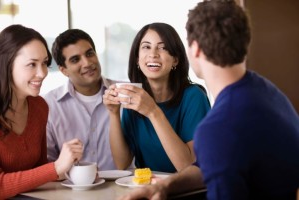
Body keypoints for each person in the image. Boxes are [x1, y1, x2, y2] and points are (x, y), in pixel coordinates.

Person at [119, 1, 299, 200]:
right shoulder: (267, 92)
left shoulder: (218, 128)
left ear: (195, 49)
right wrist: (166, 186)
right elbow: (208, 166)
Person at [103, 22, 210, 173]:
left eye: (163, 47)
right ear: (137, 59)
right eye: (146, 47)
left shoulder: (194, 97)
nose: (153, 54)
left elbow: (188, 167)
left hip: (186, 189)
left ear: (175, 60)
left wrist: (153, 111)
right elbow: (122, 163)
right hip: (148, 188)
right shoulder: (134, 97)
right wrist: (113, 113)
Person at [0, 24, 83, 199]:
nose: (42, 73)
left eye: (45, 63)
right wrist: (56, 168)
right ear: (6, 65)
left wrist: (70, 174)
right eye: (32, 64)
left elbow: (39, 172)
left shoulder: (39, 107)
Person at [43, 29, 117, 170]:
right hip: (69, 188)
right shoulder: (49, 105)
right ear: (64, 70)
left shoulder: (124, 93)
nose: (87, 63)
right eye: (75, 59)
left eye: (90, 54)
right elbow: (49, 164)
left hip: (123, 186)